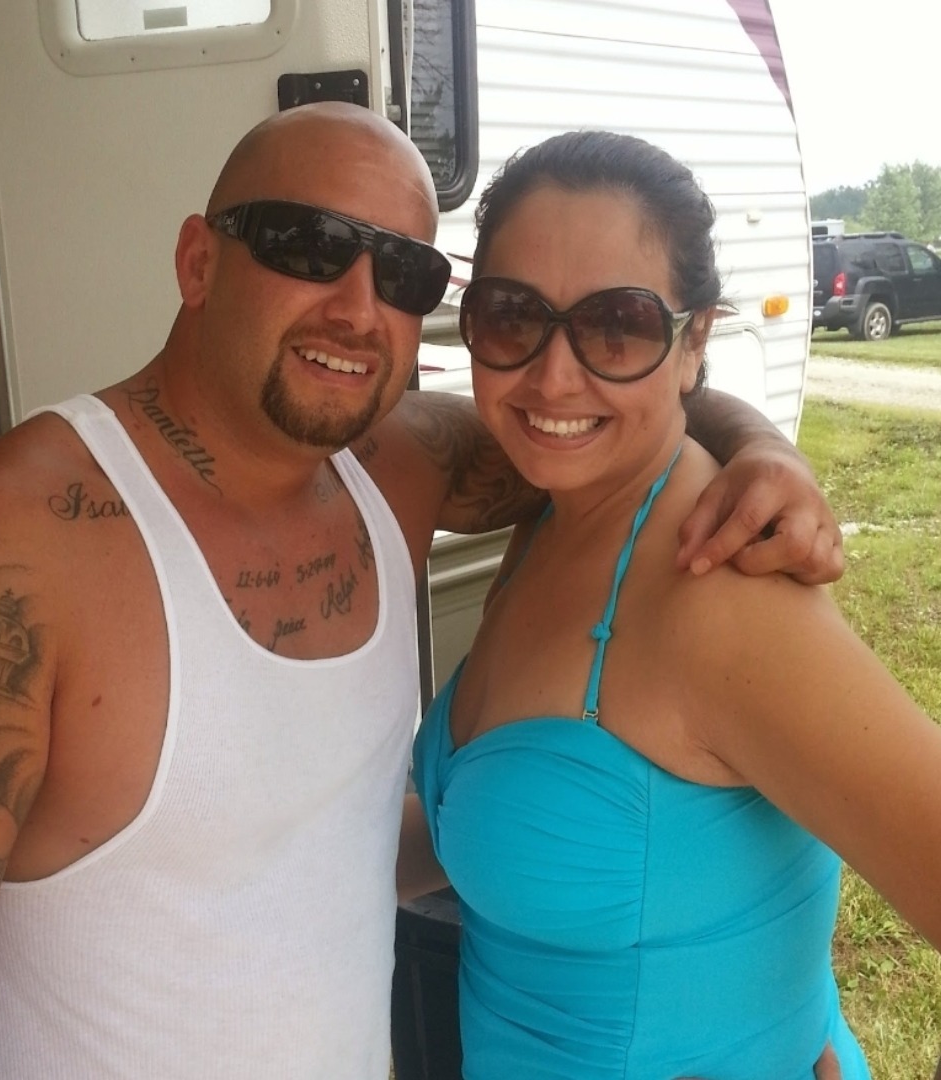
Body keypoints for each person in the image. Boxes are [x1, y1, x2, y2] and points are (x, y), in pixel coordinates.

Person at [0, 102, 843, 1080]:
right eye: (308, 246)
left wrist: (762, 450)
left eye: (405, 274)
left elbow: (600, 411)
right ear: (198, 262)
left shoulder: (396, 469)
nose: (358, 309)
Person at [401, 128, 941, 1080]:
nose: (554, 376)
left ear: (695, 343)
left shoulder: (723, 596)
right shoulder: (553, 517)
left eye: (619, 325)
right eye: (513, 316)